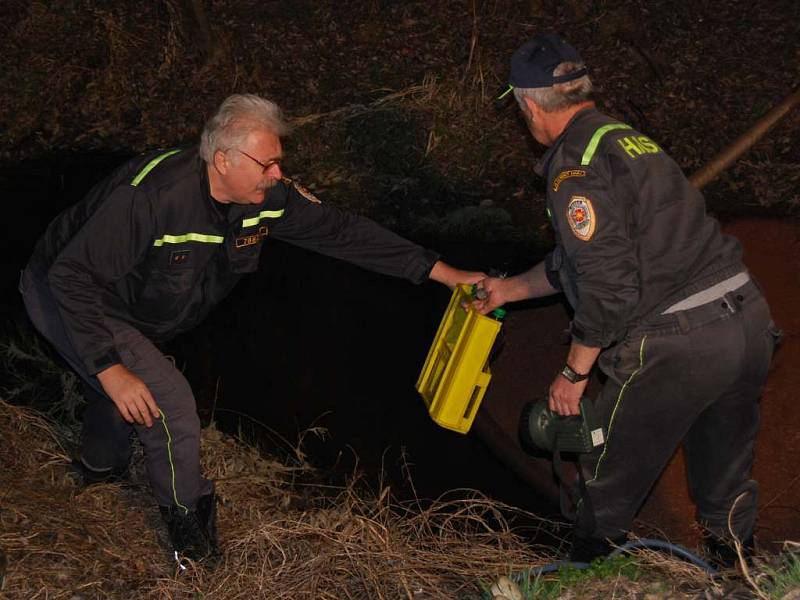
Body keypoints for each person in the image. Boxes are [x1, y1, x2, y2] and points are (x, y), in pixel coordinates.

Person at [20, 93, 482, 566]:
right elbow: (72, 277)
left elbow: (342, 232)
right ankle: (190, 537)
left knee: (129, 387)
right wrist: (110, 366)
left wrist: (443, 274)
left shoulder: (262, 198)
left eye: (279, 162)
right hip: (69, 293)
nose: (279, 174)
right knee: (166, 401)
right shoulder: (154, 197)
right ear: (223, 160)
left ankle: (98, 470)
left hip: (134, 308)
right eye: (269, 163)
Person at [475, 34, 779, 565]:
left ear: (526, 105)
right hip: (746, 321)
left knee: (604, 479)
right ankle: (739, 572)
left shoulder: (573, 167)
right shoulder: (623, 139)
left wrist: (573, 374)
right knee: (725, 475)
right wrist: (510, 289)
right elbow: (587, 260)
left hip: (678, 343)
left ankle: (587, 574)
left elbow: (609, 286)